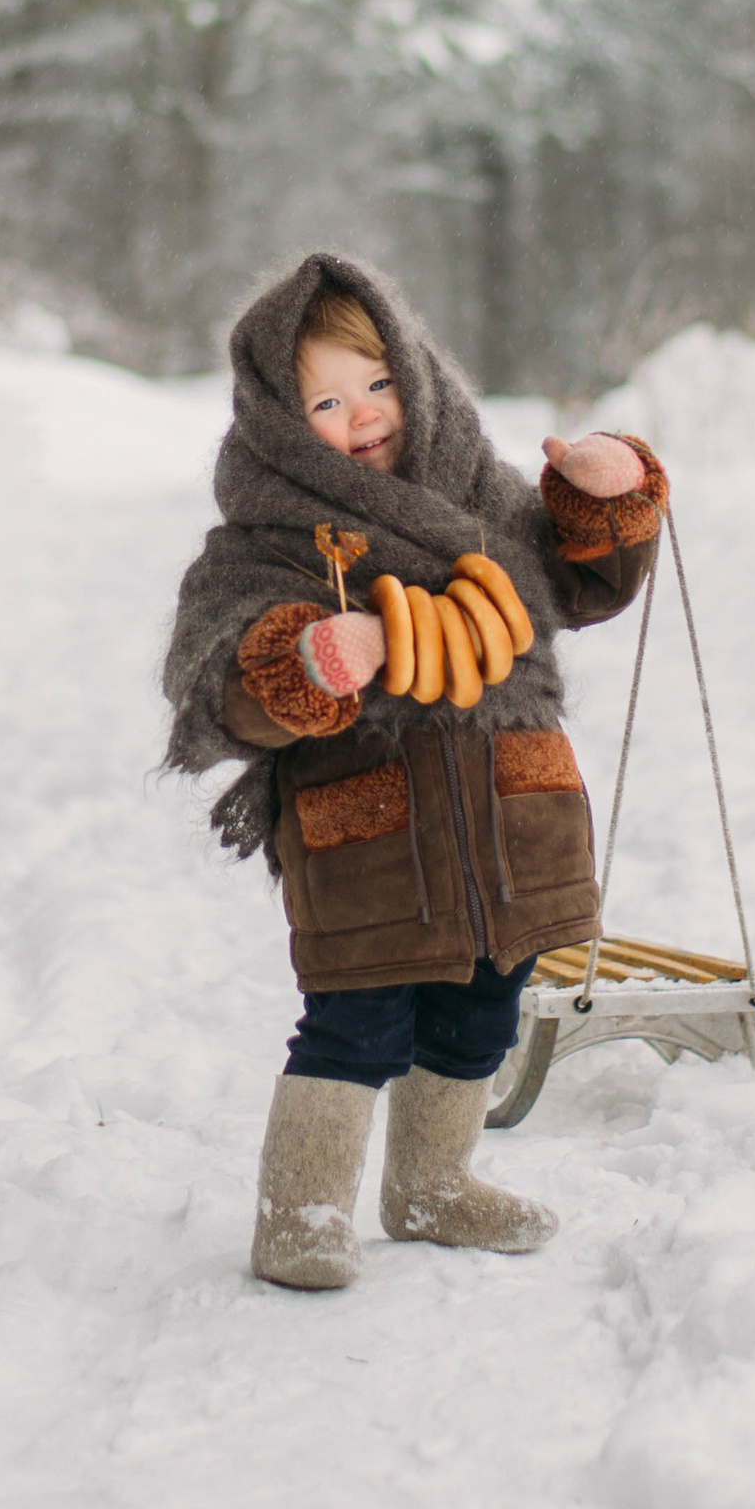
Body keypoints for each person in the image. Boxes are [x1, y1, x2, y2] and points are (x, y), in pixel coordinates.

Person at [162, 249, 666, 1290]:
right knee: (356, 1022)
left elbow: (581, 581)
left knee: (485, 1006)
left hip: (508, 820)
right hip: (373, 833)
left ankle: (432, 1183)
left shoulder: (482, 495)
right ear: (276, 421)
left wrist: (602, 503)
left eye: (378, 380)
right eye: (328, 400)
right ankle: (299, 1211)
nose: (365, 413)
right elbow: (211, 669)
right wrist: (304, 659)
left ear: (417, 369)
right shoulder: (269, 540)